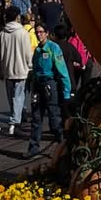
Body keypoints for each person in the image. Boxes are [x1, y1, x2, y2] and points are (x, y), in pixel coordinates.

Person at [26, 22, 72, 157]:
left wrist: (66, 92)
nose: (39, 35)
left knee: (54, 118)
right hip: (38, 85)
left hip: (49, 85)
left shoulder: (53, 48)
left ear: (47, 33)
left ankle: (61, 147)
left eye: (41, 32)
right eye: (37, 32)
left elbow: (62, 71)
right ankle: (33, 148)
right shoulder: (38, 50)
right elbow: (35, 69)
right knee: (36, 118)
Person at [0, 6, 33, 132]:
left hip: (7, 70)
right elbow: (28, 53)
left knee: (11, 96)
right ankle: (15, 121)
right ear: (17, 17)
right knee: (19, 96)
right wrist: (30, 66)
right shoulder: (23, 33)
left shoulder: (2, 33)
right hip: (21, 69)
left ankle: (16, 117)